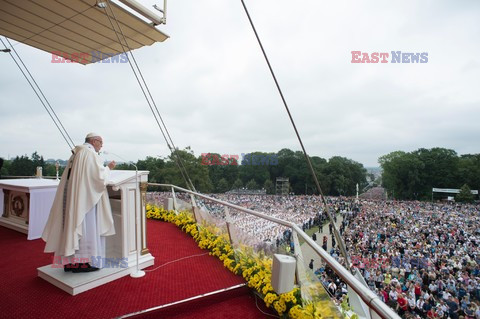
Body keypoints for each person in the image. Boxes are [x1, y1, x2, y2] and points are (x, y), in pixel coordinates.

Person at [42, 133, 116, 273]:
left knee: (72, 226)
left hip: (74, 198)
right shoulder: (90, 153)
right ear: (94, 141)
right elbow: (99, 178)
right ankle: (84, 262)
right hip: (85, 202)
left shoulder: (76, 154)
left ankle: (70, 262)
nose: (101, 146)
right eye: (100, 143)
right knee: (86, 228)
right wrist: (109, 168)